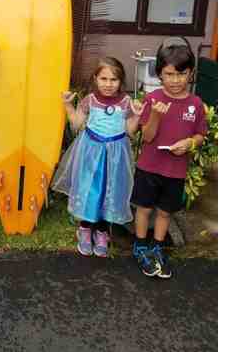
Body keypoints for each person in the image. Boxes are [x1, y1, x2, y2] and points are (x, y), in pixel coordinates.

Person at [52, 57, 144, 257]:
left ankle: (102, 231)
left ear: (121, 81)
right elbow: (77, 123)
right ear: (95, 78)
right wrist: (68, 105)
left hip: (115, 156)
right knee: (89, 190)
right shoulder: (90, 100)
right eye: (104, 79)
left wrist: (137, 116)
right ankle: (85, 229)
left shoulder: (126, 102)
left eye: (114, 80)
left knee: (110, 191)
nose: (108, 84)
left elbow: (130, 131)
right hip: (90, 154)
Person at [132, 37, 207, 279]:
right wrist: (155, 115)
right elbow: (147, 137)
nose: (175, 80)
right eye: (169, 74)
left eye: (181, 74)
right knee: (144, 208)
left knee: (165, 212)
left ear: (190, 73)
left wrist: (190, 143)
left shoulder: (196, 104)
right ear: (159, 74)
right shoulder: (152, 99)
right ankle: (140, 246)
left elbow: (200, 135)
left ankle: (157, 247)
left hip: (176, 171)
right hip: (149, 167)